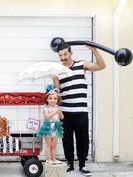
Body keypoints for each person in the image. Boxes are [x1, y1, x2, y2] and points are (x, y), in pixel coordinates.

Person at [52, 42, 106, 176]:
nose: (63, 57)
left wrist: (95, 50)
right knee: (67, 139)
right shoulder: (57, 70)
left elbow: (101, 66)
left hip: (81, 110)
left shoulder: (81, 65)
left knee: (83, 139)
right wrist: (55, 81)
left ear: (71, 53)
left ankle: (82, 165)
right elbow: (58, 92)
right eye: (60, 55)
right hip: (65, 112)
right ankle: (70, 163)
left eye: (65, 54)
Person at [37, 84, 64, 165]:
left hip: (56, 127)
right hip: (48, 127)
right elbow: (47, 117)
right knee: (48, 145)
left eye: (55, 98)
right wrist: (55, 111)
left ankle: (54, 159)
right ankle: (48, 159)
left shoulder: (57, 107)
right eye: (50, 98)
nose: (53, 100)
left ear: (58, 99)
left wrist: (60, 112)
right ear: (47, 99)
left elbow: (62, 118)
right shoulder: (46, 108)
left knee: (54, 145)